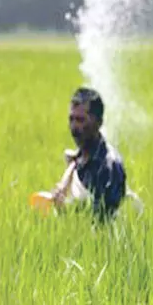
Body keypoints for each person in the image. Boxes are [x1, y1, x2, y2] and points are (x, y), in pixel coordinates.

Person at [51, 87, 127, 222]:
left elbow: (102, 223)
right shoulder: (76, 161)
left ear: (99, 123)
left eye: (81, 120)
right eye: (71, 119)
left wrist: (65, 211)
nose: (74, 127)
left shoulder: (109, 166)